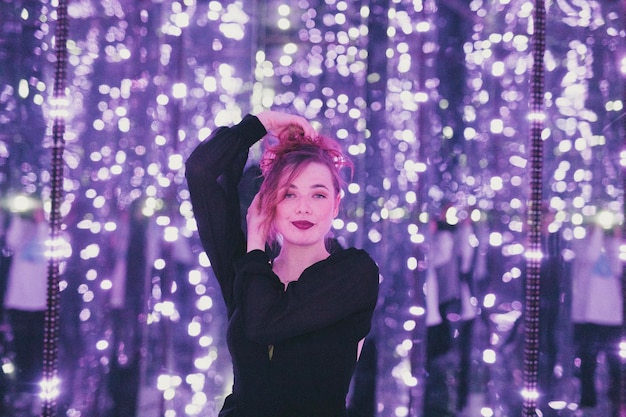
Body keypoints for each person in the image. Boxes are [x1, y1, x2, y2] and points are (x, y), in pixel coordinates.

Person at [185, 111, 380, 417]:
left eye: (318, 194)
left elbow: (265, 323)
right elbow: (201, 171)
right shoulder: (248, 270)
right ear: (269, 201)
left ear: (336, 204)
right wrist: (262, 123)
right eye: (289, 193)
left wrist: (255, 247)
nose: (303, 207)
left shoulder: (354, 273)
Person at [3, 204, 48, 414]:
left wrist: (41, 222)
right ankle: (21, 393)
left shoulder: (48, 232)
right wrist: (19, 216)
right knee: (21, 352)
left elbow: (50, 246)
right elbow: (11, 241)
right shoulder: (20, 230)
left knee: (39, 352)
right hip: (19, 301)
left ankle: (36, 395)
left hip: (39, 303)